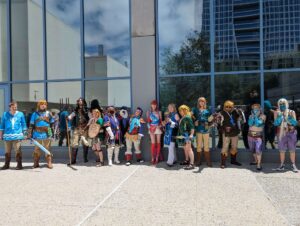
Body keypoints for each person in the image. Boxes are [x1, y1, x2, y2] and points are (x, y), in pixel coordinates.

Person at [0, 101, 27, 170]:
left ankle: (19, 164)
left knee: (18, 150)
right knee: (7, 151)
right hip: (7, 136)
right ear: (10, 107)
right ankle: (6, 164)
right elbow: (2, 125)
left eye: (15, 107)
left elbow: (24, 124)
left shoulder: (20, 114)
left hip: (17, 135)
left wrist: (25, 134)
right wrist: (1, 135)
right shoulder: (5, 114)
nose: (14, 108)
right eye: (13, 107)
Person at [274, 98, 298, 172]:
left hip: (291, 133)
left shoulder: (291, 112)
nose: (282, 105)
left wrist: (287, 118)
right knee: (281, 150)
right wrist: (280, 116)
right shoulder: (276, 112)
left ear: (286, 104)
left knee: (292, 150)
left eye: (283, 103)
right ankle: (282, 165)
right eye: (280, 104)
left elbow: (295, 123)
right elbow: (276, 123)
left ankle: (293, 165)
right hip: (281, 133)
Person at [28, 100, 54, 169]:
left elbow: (52, 124)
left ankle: (49, 162)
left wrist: (52, 134)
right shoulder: (34, 114)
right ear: (39, 105)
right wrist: (30, 133)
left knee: (47, 148)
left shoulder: (49, 113)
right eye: (41, 104)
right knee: (37, 149)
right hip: (37, 133)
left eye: (44, 104)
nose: (43, 105)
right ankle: (36, 163)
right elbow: (31, 124)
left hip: (47, 132)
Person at [219, 100, 243, 169]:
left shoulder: (235, 112)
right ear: (224, 107)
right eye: (227, 106)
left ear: (232, 107)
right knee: (225, 147)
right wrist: (223, 129)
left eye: (230, 107)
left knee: (234, 147)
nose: (228, 108)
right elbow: (219, 124)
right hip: (226, 133)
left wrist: (240, 112)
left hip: (235, 132)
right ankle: (223, 163)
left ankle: (233, 161)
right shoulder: (221, 113)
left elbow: (241, 119)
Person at [67, 97, 90, 164]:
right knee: (74, 144)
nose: (80, 101)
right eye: (79, 100)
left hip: (84, 128)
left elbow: (90, 119)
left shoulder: (86, 110)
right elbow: (70, 116)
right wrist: (68, 118)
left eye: (81, 100)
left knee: (85, 143)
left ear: (83, 102)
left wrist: (88, 126)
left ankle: (85, 158)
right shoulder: (76, 110)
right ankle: (73, 160)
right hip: (77, 128)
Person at [192, 97, 213, 167]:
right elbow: (190, 115)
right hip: (198, 130)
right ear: (198, 102)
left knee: (206, 146)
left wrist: (212, 119)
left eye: (203, 101)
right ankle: (198, 161)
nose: (201, 103)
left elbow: (211, 120)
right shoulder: (195, 110)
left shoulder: (207, 110)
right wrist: (195, 121)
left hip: (206, 130)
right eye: (200, 101)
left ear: (205, 102)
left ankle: (208, 161)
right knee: (198, 146)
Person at [248, 103, 266, 170]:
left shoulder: (263, 116)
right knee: (252, 150)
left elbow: (258, 124)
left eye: (257, 108)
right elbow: (250, 123)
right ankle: (255, 161)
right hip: (250, 135)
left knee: (258, 149)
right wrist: (253, 116)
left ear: (260, 109)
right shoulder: (250, 116)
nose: (255, 109)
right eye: (254, 108)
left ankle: (259, 164)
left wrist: (255, 116)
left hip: (258, 136)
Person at [177, 105, 195, 170]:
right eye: (180, 110)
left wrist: (191, 134)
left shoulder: (187, 117)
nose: (180, 112)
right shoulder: (183, 117)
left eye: (181, 110)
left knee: (189, 149)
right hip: (183, 136)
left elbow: (192, 127)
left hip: (187, 135)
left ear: (185, 110)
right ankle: (187, 160)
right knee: (185, 148)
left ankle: (192, 164)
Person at [147, 100, 163, 164]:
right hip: (151, 128)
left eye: (155, 104)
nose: (153, 106)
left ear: (156, 105)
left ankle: (157, 157)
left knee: (158, 142)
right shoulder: (148, 112)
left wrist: (160, 126)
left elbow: (161, 121)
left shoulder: (159, 112)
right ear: (151, 105)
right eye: (152, 104)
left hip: (158, 128)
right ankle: (153, 157)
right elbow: (148, 122)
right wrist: (149, 127)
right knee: (153, 143)